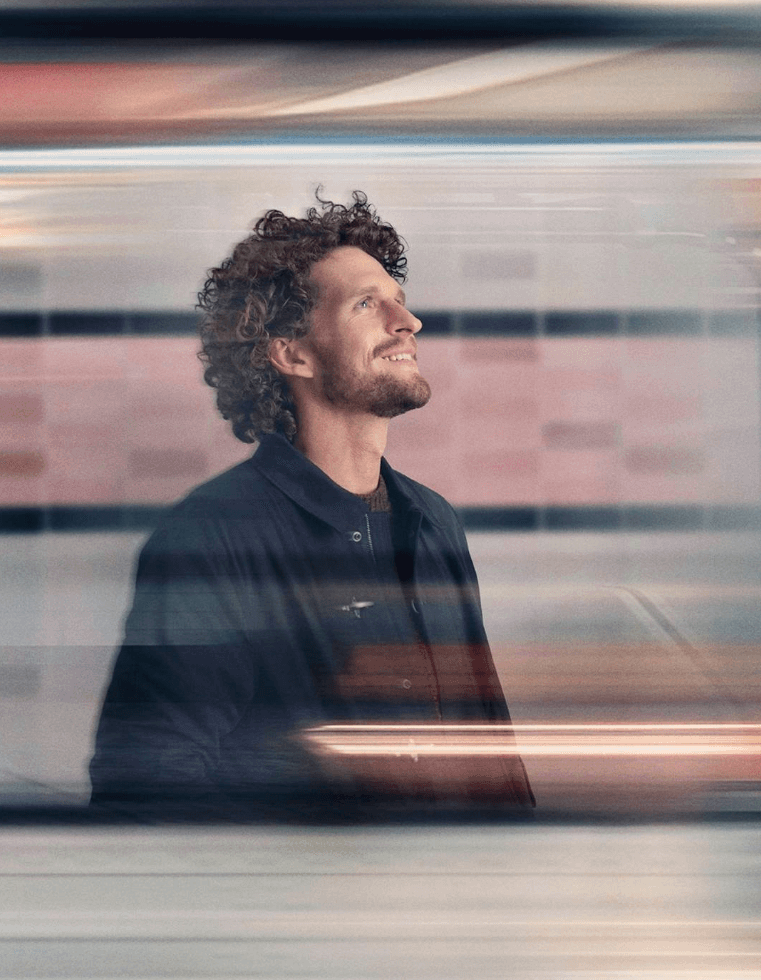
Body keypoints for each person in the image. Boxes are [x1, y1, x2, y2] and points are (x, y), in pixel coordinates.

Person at [88, 194, 532, 819]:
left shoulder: (433, 522)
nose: (408, 321)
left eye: (397, 298)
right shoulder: (212, 537)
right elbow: (142, 781)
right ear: (291, 353)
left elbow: (489, 750)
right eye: (366, 304)